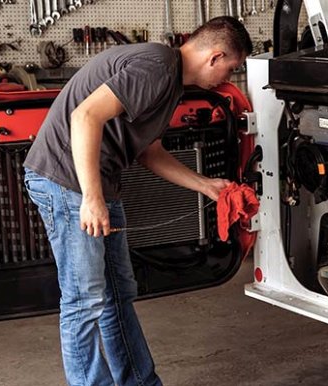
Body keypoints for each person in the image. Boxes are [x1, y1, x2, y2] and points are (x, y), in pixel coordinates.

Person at [22, 17, 252, 386]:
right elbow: (85, 116)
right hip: (66, 182)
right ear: (216, 56)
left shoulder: (169, 80)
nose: (228, 79)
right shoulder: (156, 66)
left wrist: (205, 185)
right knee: (85, 302)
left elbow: (149, 152)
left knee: (116, 294)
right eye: (231, 68)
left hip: (97, 185)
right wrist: (92, 199)